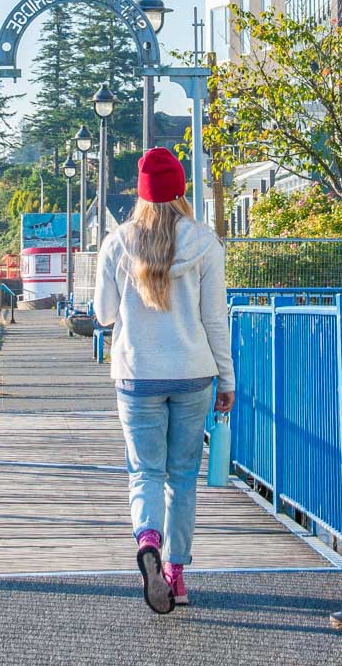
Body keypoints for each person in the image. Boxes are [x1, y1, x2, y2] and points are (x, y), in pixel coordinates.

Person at [94, 147, 235, 613]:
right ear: (180, 190)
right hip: (193, 374)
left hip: (137, 376)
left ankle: (148, 540)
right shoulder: (206, 243)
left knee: (145, 472)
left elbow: (103, 315)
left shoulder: (118, 243)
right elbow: (215, 320)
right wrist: (227, 379)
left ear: (141, 193)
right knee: (183, 477)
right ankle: (175, 573)